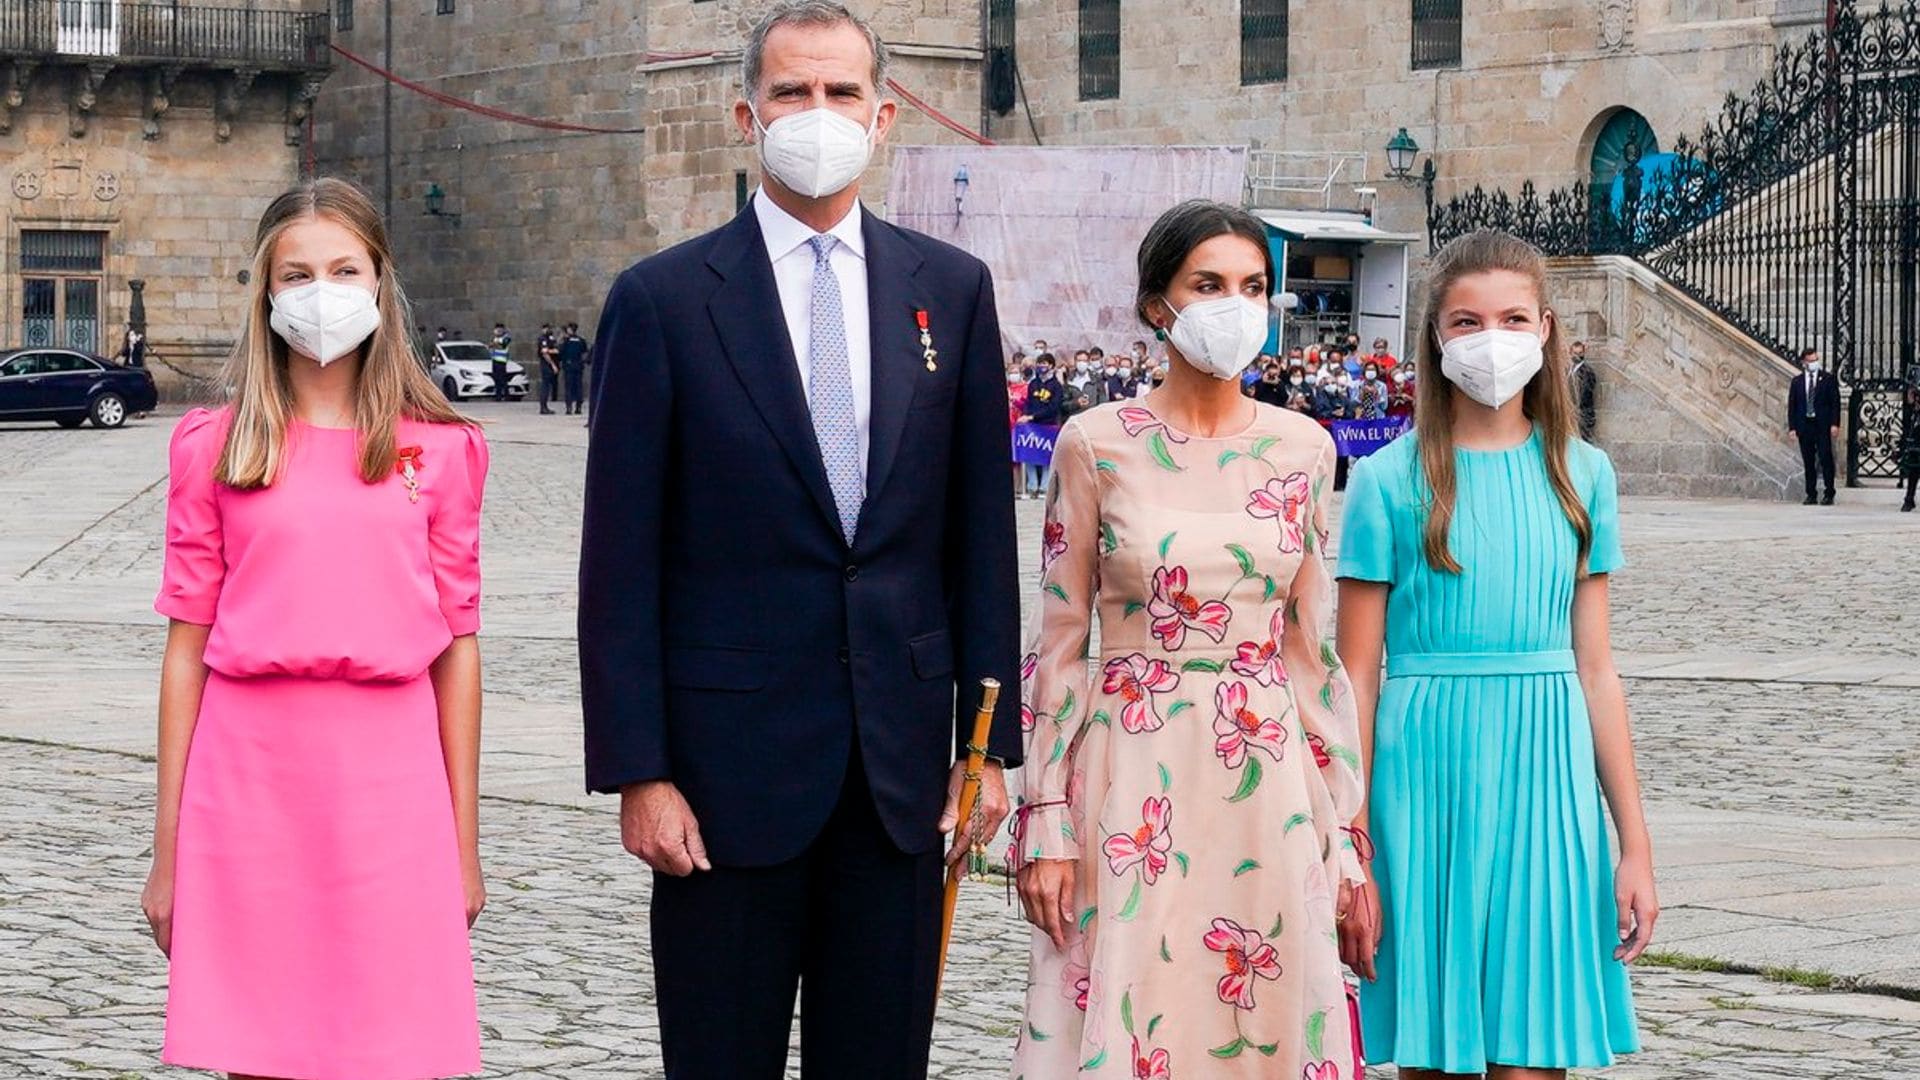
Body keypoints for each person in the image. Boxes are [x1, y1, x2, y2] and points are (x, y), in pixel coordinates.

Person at [577, 4, 1021, 1077]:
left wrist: (988, 749)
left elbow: (978, 536)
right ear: (746, 113)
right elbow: (619, 562)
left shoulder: (950, 293)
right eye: (790, 93)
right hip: (723, 785)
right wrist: (640, 770)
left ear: (883, 118)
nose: (814, 114)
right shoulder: (664, 300)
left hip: (900, 776)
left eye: (837, 93)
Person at [142, 178, 486, 1079]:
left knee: (393, 1053)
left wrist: (465, 846)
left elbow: (458, 651)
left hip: (392, 786)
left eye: (342, 269)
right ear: (264, 292)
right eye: (296, 274)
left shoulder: (441, 451)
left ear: (380, 284)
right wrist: (168, 852)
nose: (320, 292)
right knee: (255, 1055)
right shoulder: (213, 447)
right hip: (248, 785)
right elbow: (185, 656)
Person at [1013, 199, 1363, 1079]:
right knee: (1136, 999)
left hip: (1268, 773)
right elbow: (1057, 643)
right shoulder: (1096, 446)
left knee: (1263, 1003)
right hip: (1131, 773)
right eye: (1208, 284)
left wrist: (1344, 824)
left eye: (1251, 287)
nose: (1232, 306)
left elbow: (1310, 653)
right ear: (1157, 303)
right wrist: (1045, 817)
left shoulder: (1306, 448)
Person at [1336, 229, 1652, 1077]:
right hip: (1421, 775)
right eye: (1467, 321)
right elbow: (1355, 677)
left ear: (1546, 329)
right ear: (1436, 337)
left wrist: (1635, 845)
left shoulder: (1584, 475)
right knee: (1433, 1053)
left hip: (1547, 775)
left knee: (1532, 1051)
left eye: (1513, 318)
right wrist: (1351, 836)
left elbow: (1597, 668)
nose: (1491, 339)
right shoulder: (1385, 481)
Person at [1786, 346, 1839, 505]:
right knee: (1808, 461)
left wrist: (1834, 423)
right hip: (1805, 424)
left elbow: (1834, 403)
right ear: (1804, 362)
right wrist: (1792, 427)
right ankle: (1811, 493)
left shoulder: (1828, 379)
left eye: (1816, 360)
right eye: (1811, 360)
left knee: (1825, 458)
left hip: (1821, 424)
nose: (1814, 363)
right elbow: (1792, 405)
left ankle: (1829, 493)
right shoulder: (1797, 382)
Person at [1022, 353, 1066, 498]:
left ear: (1051, 366)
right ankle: (1032, 486)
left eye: (1045, 363)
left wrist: (1034, 416)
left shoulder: (1056, 386)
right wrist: (1026, 416)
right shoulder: (1033, 384)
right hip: (1031, 426)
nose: (1042, 366)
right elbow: (1028, 402)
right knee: (1030, 455)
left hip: (1048, 425)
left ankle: (1044, 487)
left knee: (1047, 457)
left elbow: (1054, 407)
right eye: (1040, 363)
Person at [559, 322, 590, 416]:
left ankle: (569, 407)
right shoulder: (581, 340)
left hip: (569, 366)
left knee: (569, 387)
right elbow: (585, 352)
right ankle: (578, 407)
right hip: (578, 366)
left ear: (570, 329)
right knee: (578, 387)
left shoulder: (566, 340)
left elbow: (561, 352)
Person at [537, 322, 561, 415]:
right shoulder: (543, 339)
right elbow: (544, 353)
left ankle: (545, 406)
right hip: (546, 365)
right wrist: (552, 365)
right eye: (546, 328)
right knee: (545, 386)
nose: (548, 330)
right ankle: (543, 407)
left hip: (550, 364)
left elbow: (556, 349)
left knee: (547, 386)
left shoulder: (550, 338)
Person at [489, 322, 512, 401]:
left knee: (502, 379)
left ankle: (507, 395)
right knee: (496, 379)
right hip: (495, 360)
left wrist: (494, 344)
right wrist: (494, 344)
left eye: (500, 329)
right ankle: (498, 396)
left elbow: (503, 345)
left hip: (501, 361)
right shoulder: (495, 338)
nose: (498, 330)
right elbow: (491, 346)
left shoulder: (506, 337)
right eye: (497, 329)